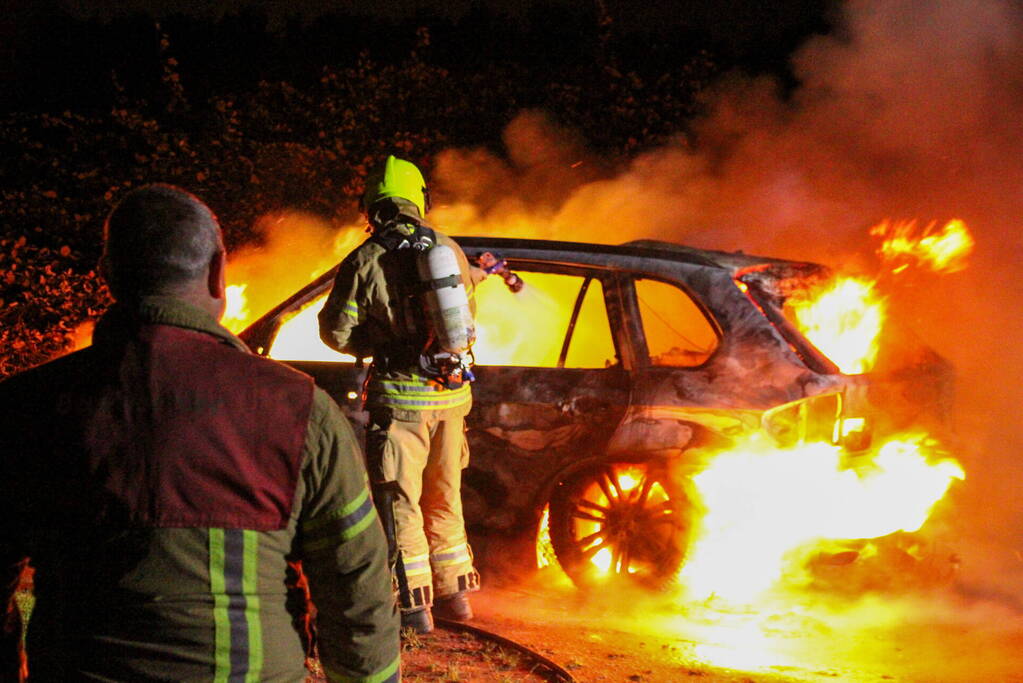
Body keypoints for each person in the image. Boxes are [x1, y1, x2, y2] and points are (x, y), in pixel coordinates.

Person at [0, 184, 400, 682]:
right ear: (217, 273)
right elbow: (357, 589)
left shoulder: (25, 407)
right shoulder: (300, 409)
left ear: (108, 276)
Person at [318, 156, 484, 634]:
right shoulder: (449, 250)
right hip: (452, 399)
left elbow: (336, 330)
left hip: (402, 402)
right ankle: (457, 595)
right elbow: (466, 323)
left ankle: (414, 606)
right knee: (445, 494)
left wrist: (375, 344)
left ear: (372, 206)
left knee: (399, 499)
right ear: (420, 200)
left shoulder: (366, 258)